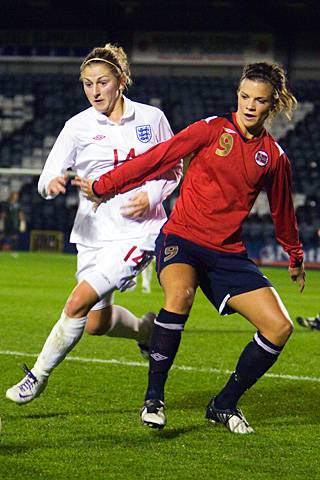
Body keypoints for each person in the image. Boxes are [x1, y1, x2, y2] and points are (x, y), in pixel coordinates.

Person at [75, 62, 306, 434]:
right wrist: (106, 185)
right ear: (237, 94)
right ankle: (154, 398)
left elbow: (283, 210)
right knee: (179, 295)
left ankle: (223, 404)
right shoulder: (212, 129)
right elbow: (158, 157)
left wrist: (294, 255)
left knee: (279, 327)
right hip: (182, 237)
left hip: (227, 253)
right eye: (244, 96)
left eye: (259, 100)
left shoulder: (274, 157)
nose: (249, 105)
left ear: (272, 105)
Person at [6, 43, 182, 404]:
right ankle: (146, 331)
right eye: (87, 84)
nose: (95, 91)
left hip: (140, 232)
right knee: (97, 324)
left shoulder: (152, 118)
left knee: (75, 304)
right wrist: (52, 185)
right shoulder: (77, 126)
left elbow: (174, 167)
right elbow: (45, 179)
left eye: (102, 82)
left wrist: (151, 196)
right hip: (92, 234)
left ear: (120, 81)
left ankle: (37, 376)